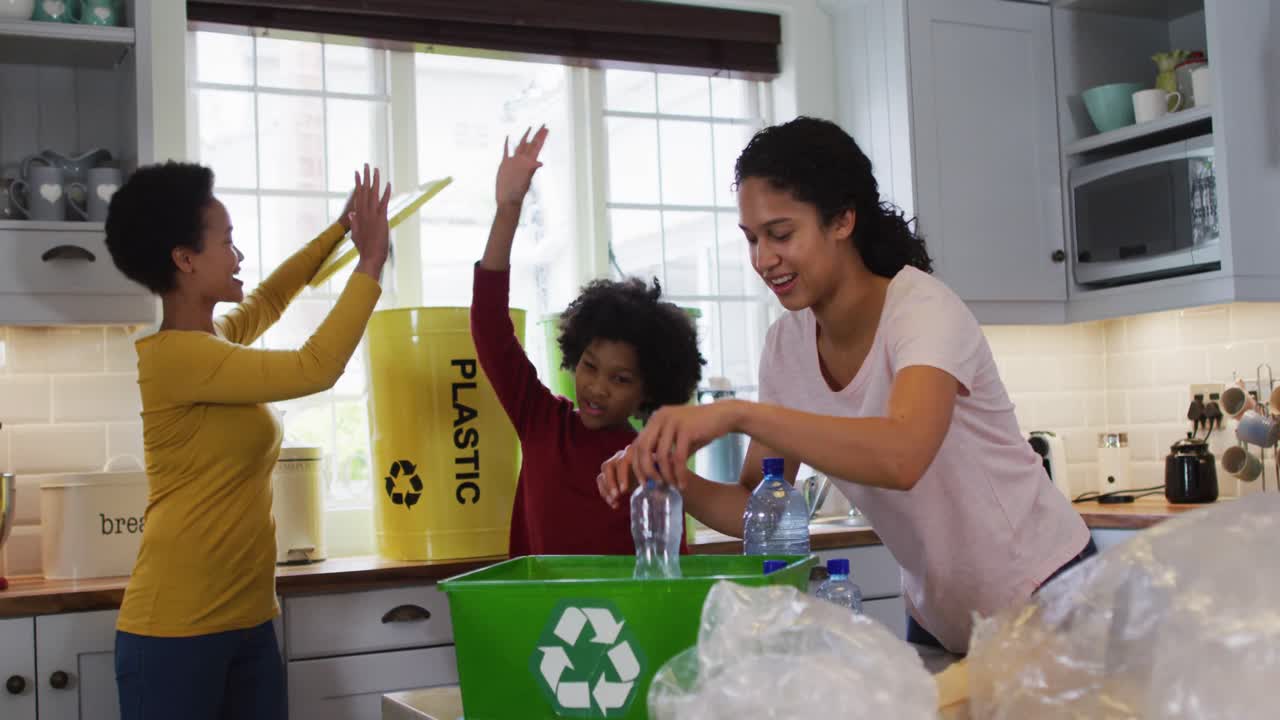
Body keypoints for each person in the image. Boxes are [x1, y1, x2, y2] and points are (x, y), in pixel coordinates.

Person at [597, 117, 1094, 654]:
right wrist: (668, 478)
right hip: (941, 616)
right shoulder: (786, 348)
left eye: (781, 234)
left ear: (842, 220)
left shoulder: (922, 309)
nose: (763, 259)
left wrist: (737, 413)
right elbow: (757, 507)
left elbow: (903, 455)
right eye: (751, 239)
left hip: (1048, 596)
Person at [104, 161, 392, 718]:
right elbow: (316, 367)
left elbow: (268, 299)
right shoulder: (177, 359)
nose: (239, 257)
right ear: (184, 259)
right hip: (174, 632)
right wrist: (370, 263)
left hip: (249, 620)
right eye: (227, 242)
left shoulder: (213, 339)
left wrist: (339, 230)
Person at [472, 126, 705, 556]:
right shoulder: (541, 421)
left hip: (626, 623)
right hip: (540, 621)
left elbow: (671, 567)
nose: (597, 387)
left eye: (620, 378)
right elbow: (489, 327)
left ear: (647, 391)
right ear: (575, 357)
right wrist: (508, 210)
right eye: (590, 366)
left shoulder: (651, 461)